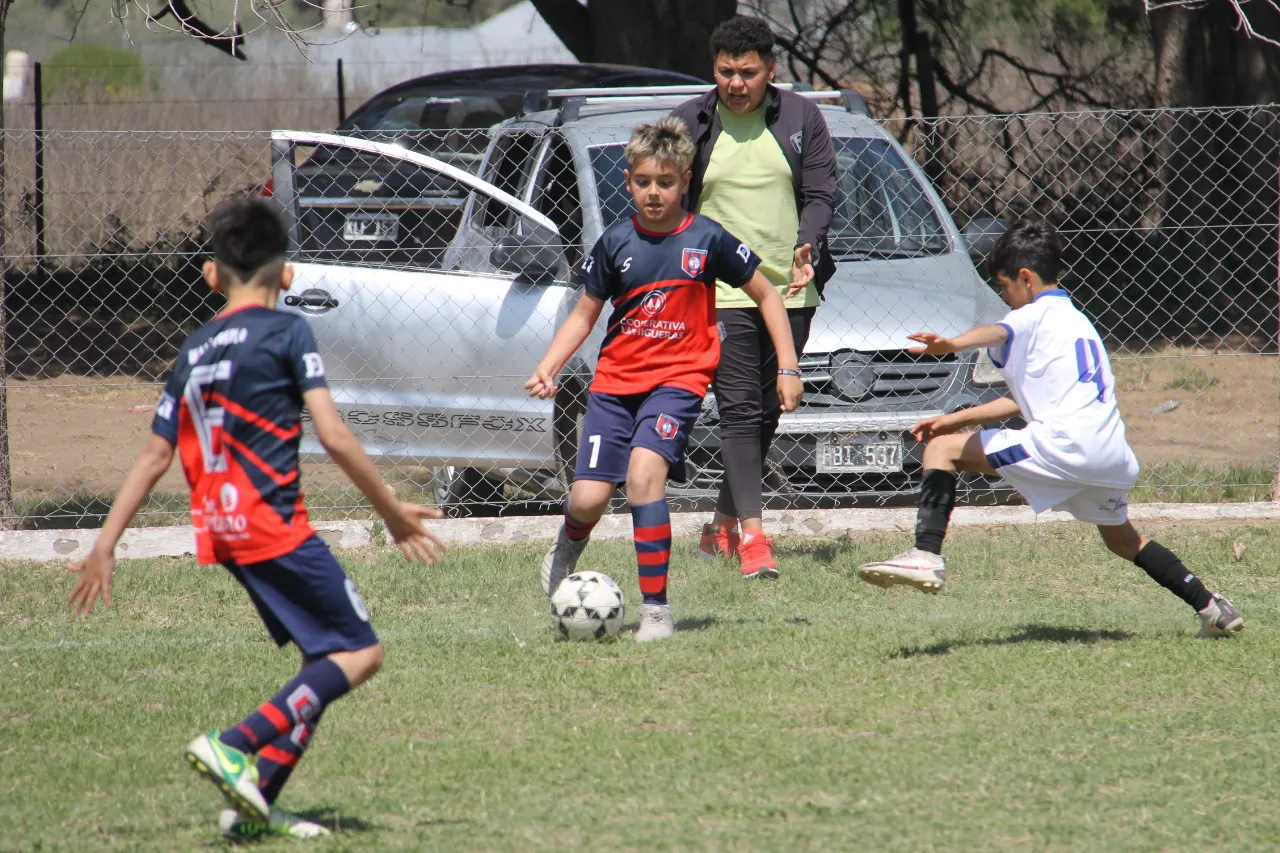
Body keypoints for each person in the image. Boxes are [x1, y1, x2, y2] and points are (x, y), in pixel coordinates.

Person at [66, 197, 448, 839]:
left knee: (321, 661)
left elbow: (156, 455)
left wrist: (106, 544)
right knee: (361, 652)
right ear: (287, 273)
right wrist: (392, 512)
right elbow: (334, 436)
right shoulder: (288, 331)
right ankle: (236, 743)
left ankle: (254, 799)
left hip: (222, 531)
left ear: (213, 275)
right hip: (272, 525)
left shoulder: (194, 349)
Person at [857, 219, 1245, 639]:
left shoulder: (1034, 314)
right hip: (1110, 455)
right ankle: (1211, 607)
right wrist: (954, 419)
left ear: (1025, 278)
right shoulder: (1076, 323)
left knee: (941, 452)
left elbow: (999, 330)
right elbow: (1027, 399)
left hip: (1064, 445)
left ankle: (925, 555)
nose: (1005, 297)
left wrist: (950, 344)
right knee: (1123, 541)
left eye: (1005, 287)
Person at [527, 117, 804, 642]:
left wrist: (787, 368)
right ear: (628, 181)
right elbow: (586, 313)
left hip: (677, 383)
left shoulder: (707, 238)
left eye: (667, 182)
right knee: (587, 499)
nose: (655, 193)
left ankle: (656, 612)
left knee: (643, 476)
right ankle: (567, 545)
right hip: (613, 386)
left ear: (685, 180)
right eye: (644, 182)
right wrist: (550, 365)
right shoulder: (615, 242)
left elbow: (768, 293)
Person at [669, 14, 838, 579]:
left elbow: (819, 194)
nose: (735, 84)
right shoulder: (689, 121)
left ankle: (719, 524)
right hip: (717, 290)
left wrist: (807, 246)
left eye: (747, 73)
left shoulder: (801, 117)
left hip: (791, 289)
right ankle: (754, 539)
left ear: (769, 69)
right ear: (713, 70)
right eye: (725, 73)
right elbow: (665, 198)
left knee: (766, 411)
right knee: (740, 407)